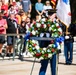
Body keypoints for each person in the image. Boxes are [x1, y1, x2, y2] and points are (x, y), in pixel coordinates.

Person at [38, 9, 60, 75]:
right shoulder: (44, 23)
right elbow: (40, 34)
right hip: (45, 47)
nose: (52, 16)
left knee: (53, 67)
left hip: (53, 47)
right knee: (44, 65)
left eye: (53, 15)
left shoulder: (56, 24)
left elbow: (59, 33)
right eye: (50, 15)